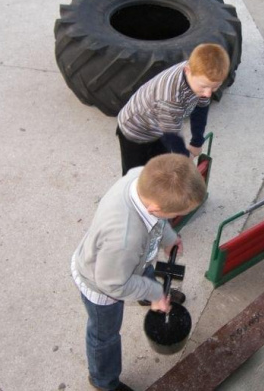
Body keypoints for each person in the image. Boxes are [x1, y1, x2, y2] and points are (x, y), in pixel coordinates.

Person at [71, 154, 207, 391]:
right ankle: (103, 381)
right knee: (105, 335)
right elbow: (113, 285)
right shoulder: (124, 239)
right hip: (102, 286)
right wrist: (155, 292)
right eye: (175, 214)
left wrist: (168, 237)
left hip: (131, 262)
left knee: (145, 274)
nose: (175, 218)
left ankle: (153, 295)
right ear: (155, 208)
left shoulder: (141, 176)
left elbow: (157, 220)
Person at [116, 43, 230, 175]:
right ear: (187, 70)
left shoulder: (201, 79)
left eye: (215, 87)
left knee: (160, 170)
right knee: (135, 176)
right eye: (204, 87)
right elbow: (172, 136)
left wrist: (196, 142)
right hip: (135, 130)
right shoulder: (170, 97)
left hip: (159, 128)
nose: (208, 93)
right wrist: (184, 159)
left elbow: (201, 109)